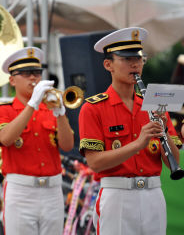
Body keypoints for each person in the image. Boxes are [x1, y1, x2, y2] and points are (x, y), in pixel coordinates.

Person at [78, 27, 182, 235]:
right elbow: (95, 163)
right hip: (118, 195)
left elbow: (174, 159)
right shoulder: (93, 108)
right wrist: (137, 144)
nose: (135, 64)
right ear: (108, 65)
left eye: (139, 58)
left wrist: (163, 132)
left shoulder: (154, 104)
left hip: (153, 194)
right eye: (126, 59)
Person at [0, 47, 74, 235]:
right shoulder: (3, 110)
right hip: (21, 192)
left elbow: (67, 146)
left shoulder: (50, 109)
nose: (33, 78)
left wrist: (60, 113)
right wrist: (31, 105)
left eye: (37, 72)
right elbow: (5, 138)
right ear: (12, 80)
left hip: (52, 190)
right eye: (27, 74)